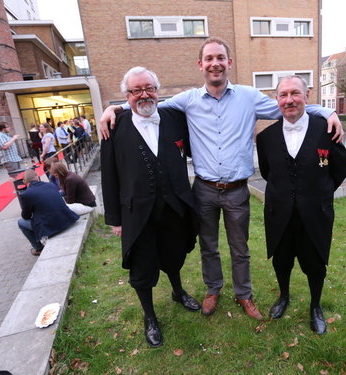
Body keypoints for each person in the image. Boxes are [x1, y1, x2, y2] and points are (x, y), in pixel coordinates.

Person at [99, 37, 344, 321]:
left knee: (241, 249)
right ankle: (213, 290)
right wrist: (115, 109)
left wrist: (328, 111)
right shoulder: (187, 100)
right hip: (203, 189)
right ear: (200, 65)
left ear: (229, 62)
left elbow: (289, 107)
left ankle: (244, 294)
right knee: (209, 247)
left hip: (237, 190)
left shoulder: (249, 97)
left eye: (220, 58)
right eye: (209, 58)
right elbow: (148, 104)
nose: (215, 63)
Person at [101, 66, 200, 347]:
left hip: (174, 208)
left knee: (174, 255)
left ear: (157, 91)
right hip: (137, 213)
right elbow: (109, 175)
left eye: (149, 88)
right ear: (127, 96)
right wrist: (115, 219)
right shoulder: (114, 126)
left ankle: (178, 292)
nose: (144, 95)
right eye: (136, 91)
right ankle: (150, 316)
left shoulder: (174, 117)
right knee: (142, 270)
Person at [256, 75, 346, 334]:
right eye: (283, 95)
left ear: (307, 96)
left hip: (315, 214)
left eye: (295, 93)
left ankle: (315, 306)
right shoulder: (265, 138)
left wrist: (318, 193)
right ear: (277, 100)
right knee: (282, 260)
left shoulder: (327, 130)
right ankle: (283, 295)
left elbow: (339, 170)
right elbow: (267, 172)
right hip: (279, 213)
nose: (289, 100)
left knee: (315, 264)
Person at [18, 169, 79, 256]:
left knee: (21, 222)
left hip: (51, 226)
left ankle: (38, 248)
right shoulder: (50, 185)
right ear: (37, 177)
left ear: (24, 181)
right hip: (67, 219)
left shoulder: (26, 194)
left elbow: (26, 216)